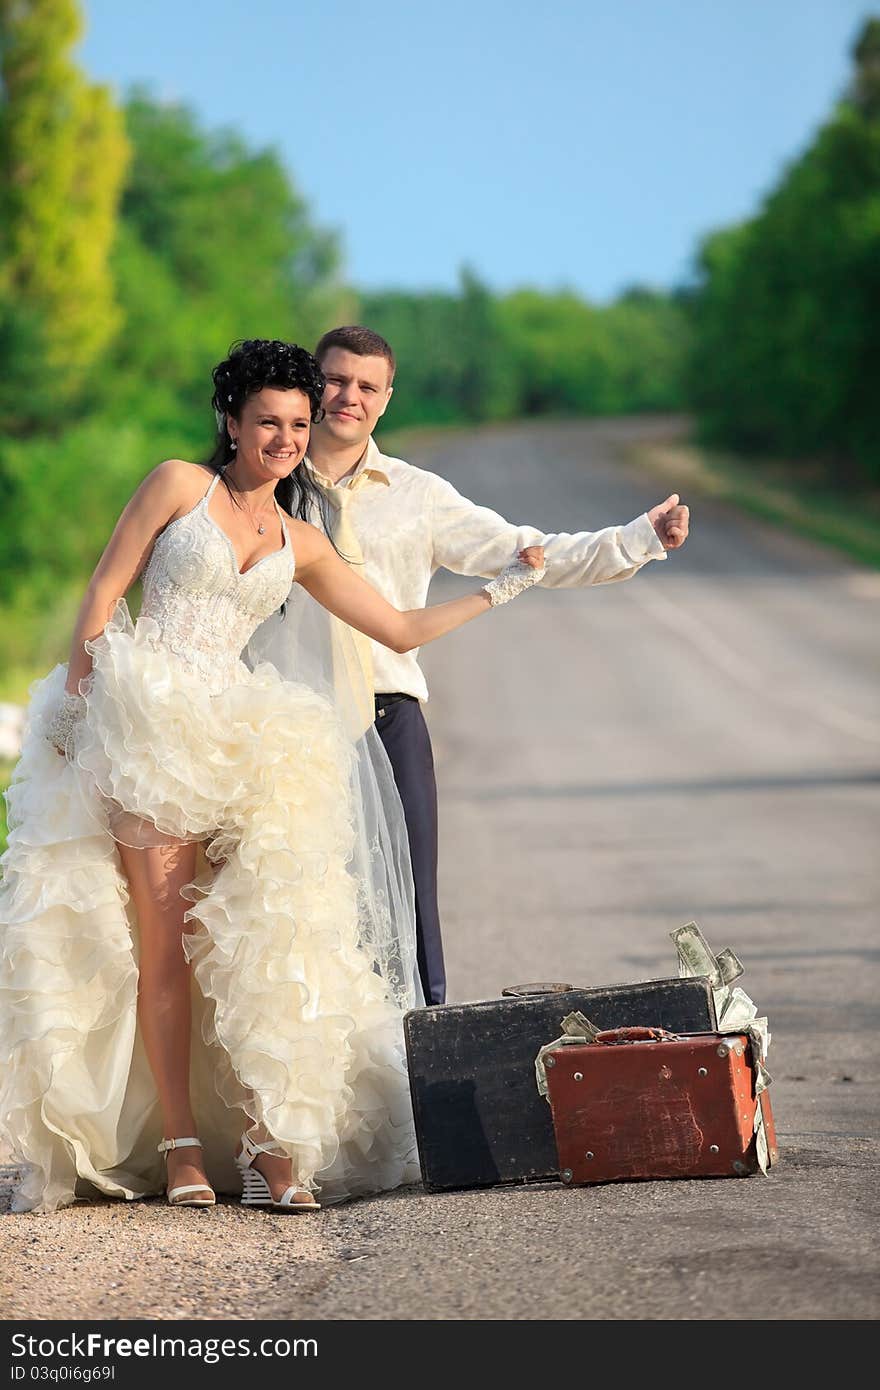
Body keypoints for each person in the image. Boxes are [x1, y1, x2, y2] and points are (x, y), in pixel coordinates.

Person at [0, 339, 545, 1215]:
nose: (286, 438)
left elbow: (397, 630)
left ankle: (268, 1139)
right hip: (150, 730)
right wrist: (79, 700)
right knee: (166, 944)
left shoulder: (302, 538)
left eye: (298, 422)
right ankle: (181, 1146)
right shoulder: (180, 485)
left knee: (261, 936)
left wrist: (505, 588)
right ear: (232, 420)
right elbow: (105, 590)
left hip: (244, 736)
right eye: (269, 421)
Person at [251, 324, 690, 1006]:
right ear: (313, 380)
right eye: (336, 379)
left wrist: (638, 540)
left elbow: (531, 554)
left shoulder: (418, 494)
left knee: (408, 897)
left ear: (387, 399)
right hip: (282, 723)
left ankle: (421, 1056)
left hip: (385, 714)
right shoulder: (265, 478)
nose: (349, 397)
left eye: (368, 386)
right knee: (287, 897)